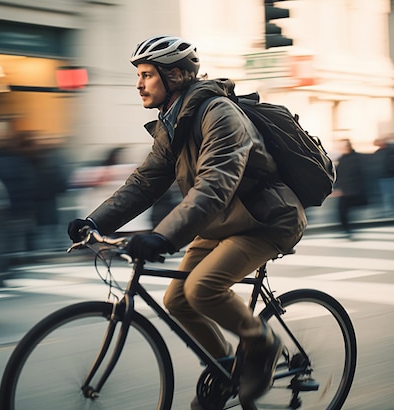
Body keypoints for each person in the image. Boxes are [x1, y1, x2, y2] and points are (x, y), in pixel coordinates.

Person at [67, 35, 306, 408]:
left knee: (202, 289)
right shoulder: (172, 123)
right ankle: (228, 369)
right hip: (219, 224)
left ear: (175, 75)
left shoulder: (220, 116)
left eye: (147, 75)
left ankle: (262, 342)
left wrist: (163, 237)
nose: (138, 84)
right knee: (176, 300)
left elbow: (214, 186)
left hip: (264, 220)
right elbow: (145, 183)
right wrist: (95, 220)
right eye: (139, 75)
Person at [333, 139, 368, 239]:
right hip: (346, 190)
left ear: (347, 146)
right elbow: (339, 175)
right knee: (342, 212)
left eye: (341, 146)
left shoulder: (355, 158)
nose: (339, 147)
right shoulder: (342, 159)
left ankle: (348, 231)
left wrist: (346, 189)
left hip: (351, 190)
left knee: (343, 211)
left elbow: (356, 175)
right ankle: (347, 231)